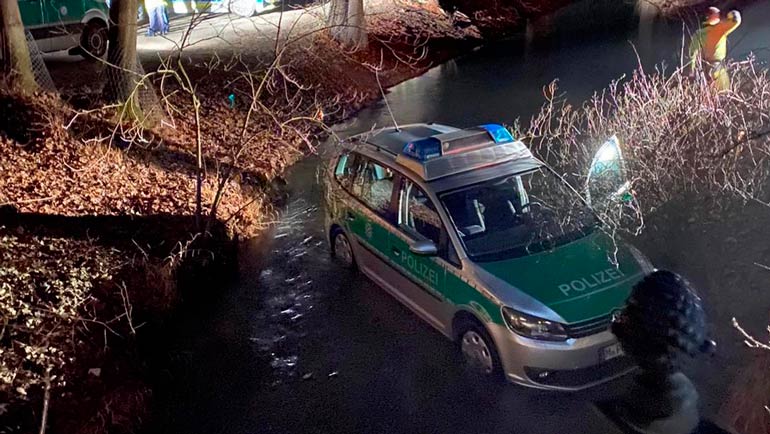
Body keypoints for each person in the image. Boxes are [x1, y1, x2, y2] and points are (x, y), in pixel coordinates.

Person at [688, 6, 742, 90]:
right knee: (724, 94)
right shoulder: (718, 29)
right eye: (719, 14)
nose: (721, 16)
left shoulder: (698, 34)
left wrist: (691, 71)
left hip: (703, 70)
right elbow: (736, 18)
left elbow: (692, 54)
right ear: (711, 17)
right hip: (717, 69)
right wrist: (729, 15)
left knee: (709, 96)